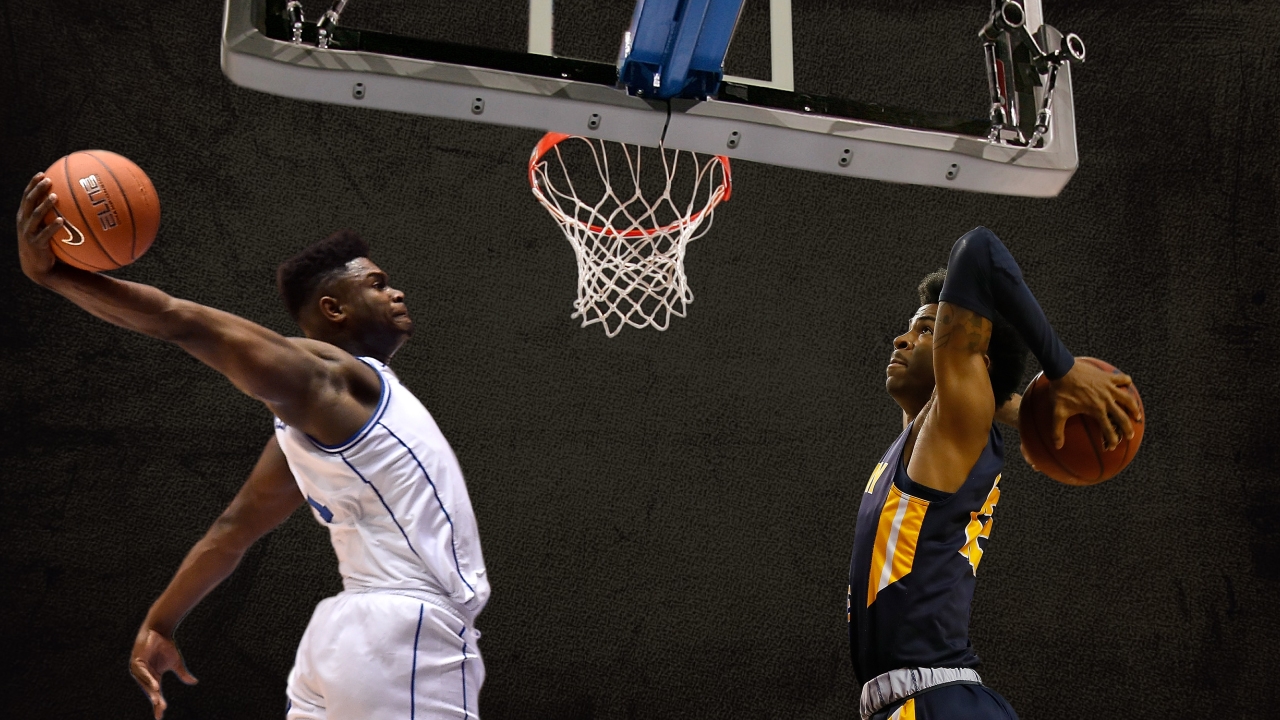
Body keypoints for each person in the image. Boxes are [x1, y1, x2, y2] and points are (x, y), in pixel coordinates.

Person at [15, 173, 489, 720]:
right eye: (378, 284)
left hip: (343, 640)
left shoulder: (309, 430)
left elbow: (232, 531)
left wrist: (159, 622)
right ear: (334, 309)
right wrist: (57, 277)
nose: (396, 291)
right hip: (405, 633)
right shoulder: (336, 378)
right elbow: (181, 321)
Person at [849, 226, 1142, 720]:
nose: (904, 337)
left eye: (927, 329)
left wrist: (1062, 370)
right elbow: (985, 392)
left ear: (969, 367)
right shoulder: (926, 430)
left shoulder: (954, 427)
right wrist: (1031, 408)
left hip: (939, 704)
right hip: (920, 703)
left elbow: (979, 249)